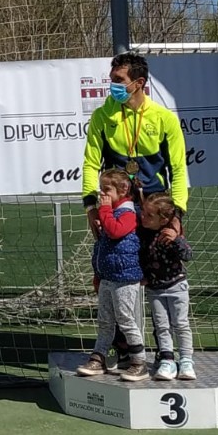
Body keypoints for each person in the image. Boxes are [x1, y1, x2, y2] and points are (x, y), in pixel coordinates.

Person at [78, 50, 189, 378]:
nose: (111, 85)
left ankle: (169, 354)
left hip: (155, 211)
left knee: (159, 279)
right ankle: (121, 349)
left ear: (138, 83)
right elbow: (90, 163)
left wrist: (176, 216)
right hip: (119, 209)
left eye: (118, 80)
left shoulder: (164, 119)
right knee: (113, 276)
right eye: (111, 79)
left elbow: (178, 170)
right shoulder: (103, 116)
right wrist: (92, 206)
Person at [79, 169, 146, 379]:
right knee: (105, 321)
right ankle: (98, 357)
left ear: (123, 189)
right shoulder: (110, 212)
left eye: (106, 189)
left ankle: (139, 362)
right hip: (107, 278)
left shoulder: (128, 213)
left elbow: (116, 231)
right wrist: (98, 274)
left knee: (125, 319)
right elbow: (102, 246)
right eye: (100, 189)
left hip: (124, 279)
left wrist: (105, 210)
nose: (102, 194)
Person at [140, 192, 197, 380]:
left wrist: (177, 239)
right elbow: (143, 258)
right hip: (155, 289)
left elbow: (187, 255)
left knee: (180, 324)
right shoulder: (144, 235)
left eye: (149, 215)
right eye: (143, 213)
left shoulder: (170, 234)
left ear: (163, 219)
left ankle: (186, 360)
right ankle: (167, 360)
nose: (143, 217)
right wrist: (144, 276)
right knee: (161, 326)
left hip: (176, 286)